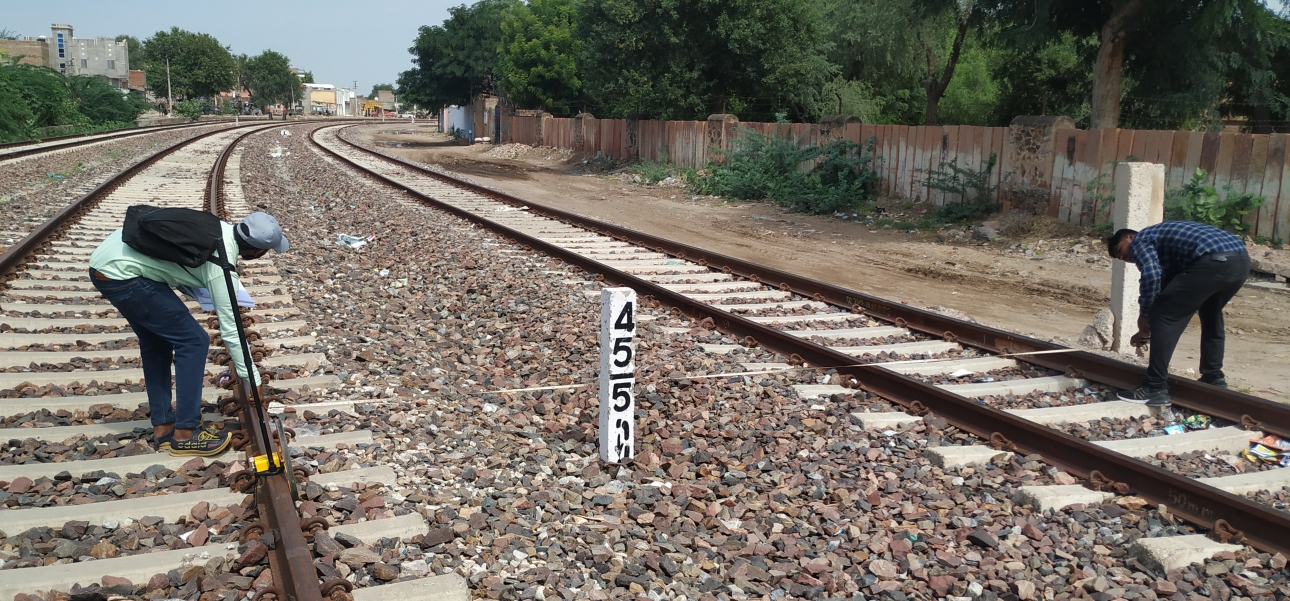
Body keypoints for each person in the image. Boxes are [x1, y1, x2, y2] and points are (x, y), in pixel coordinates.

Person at [88, 213, 290, 456]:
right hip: (122, 275)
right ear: (258, 252)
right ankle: (185, 434)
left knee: (157, 342)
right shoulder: (221, 267)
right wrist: (254, 381)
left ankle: (164, 427)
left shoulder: (219, 229)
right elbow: (232, 331)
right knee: (194, 341)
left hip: (106, 263)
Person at [1106, 221, 1250, 406]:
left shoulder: (1141, 239)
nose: (1125, 257)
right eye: (1121, 258)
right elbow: (1168, 287)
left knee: (1164, 316)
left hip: (1211, 261)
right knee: (1211, 314)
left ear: (1129, 237)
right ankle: (1214, 378)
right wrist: (1146, 330)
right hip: (1240, 261)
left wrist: (1146, 315)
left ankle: (1154, 387)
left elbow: (1151, 275)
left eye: (1121, 251)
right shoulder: (1167, 246)